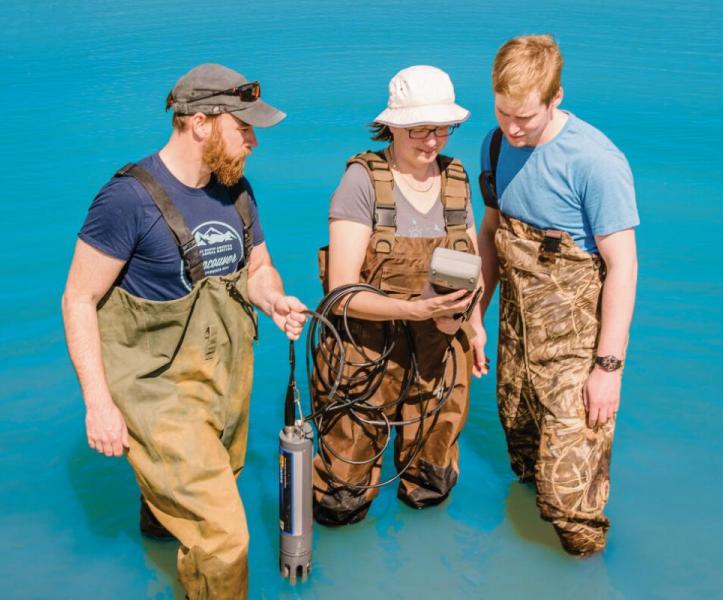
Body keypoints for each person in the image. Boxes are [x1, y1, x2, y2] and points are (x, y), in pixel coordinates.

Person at [61, 63, 307, 599]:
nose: (253, 140)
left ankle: (165, 531)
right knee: (224, 538)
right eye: (242, 126)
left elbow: (260, 268)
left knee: (201, 504)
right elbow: (78, 298)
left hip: (223, 385)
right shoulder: (127, 200)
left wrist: (273, 300)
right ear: (199, 123)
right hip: (157, 394)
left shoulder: (235, 190)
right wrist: (98, 403)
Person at [476, 35, 639, 556]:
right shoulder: (495, 144)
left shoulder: (596, 162)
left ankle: (589, 576)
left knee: (572, 502)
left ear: (556, 98)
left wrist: (607, 369)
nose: (512, 127)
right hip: (517, 344)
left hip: (577, 354)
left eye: (525, 116)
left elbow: (624, 267)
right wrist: (475, 318)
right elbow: (491, 235)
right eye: (503, 112)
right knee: (524, 463)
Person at [311, 65, 488, 526]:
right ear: (391, 125)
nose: (432, 142)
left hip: (440, 348)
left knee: (431, 482)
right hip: (366, 352)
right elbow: (342, 294)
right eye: (419, 130)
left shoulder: (457, 180)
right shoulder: (362, 182)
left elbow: (473, 265)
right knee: (341, 498)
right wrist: (414, 309)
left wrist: (474, 324)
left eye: (442, 129)